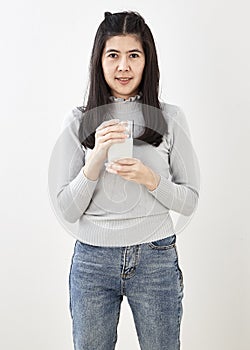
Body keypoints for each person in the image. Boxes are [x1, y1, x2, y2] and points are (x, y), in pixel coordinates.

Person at [53, 10, 200, 350]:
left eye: (134, 55)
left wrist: (151, 180)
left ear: (147, 60)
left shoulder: (170, 118)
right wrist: (95, 160)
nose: (123, 67)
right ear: (99, 61)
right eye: (113, 55)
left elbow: (190, 199)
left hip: (156, 258)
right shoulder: (78, 121)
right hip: (92, 261)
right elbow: (66, 208)